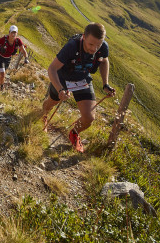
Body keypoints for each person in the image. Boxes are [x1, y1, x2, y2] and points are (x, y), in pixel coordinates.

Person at [42, 22, 115, 152]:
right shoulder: (72, 46)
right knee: (52, 102)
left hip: (82, 78)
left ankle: (74, 132)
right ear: (84, 37)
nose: (94, 49)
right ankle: (44, 115)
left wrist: (105, 84)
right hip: (63, 78)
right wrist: (60, 89)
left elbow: (104, 61)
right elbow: (52, 68)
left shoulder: (103, 47)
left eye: (98, 45)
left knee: (89, 117)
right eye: (91, 44)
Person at [0, 25, 29, 90]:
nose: (13, 34)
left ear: (17, 33)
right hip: (0, 57)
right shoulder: (3, 39)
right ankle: (1, 87)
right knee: (3, 73)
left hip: (8, 58)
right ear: (9, 32)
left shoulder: (18, 41)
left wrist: (26, 58)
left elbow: (24, 50)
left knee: (2, 75)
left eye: (15, 33)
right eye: (12, 32)